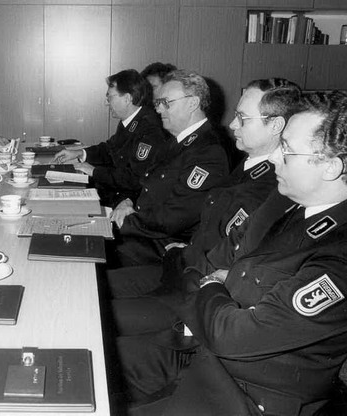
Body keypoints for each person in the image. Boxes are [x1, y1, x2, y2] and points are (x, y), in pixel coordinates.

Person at [117, 90, 347, 416]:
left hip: (246, 394)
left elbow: (234, 336)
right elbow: (217, 259)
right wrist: (216, 286)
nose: (277, 160)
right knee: (89, 356)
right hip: (200, 346)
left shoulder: (339, 254)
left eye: (289, 151)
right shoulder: (286, 203)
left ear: (331, 167)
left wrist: (213, 285)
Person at [108, 78, 302, 336]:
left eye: (243, 118)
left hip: (197, 292)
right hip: (182, 267)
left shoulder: (271, 186)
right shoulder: (247, 168)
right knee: (94, 287)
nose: (233, 125)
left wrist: (183, 253)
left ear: (276, 125)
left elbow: (230, 260)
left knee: (99, 313)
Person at [110, 70, 229, 267]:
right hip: (145, 233)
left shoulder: (209, 151)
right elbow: (146, 183)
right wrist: (127, 201)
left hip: (165, 248)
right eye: (158, 103)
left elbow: (175, 218)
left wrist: (123, 222)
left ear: (193, 103)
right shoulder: (177, 141)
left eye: (166, 103)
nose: (158, 110)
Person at [52, 69, 170, 207]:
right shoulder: (130, 120)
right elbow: (110, 149)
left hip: (128, 201)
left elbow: (134, 178)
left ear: (127, 98)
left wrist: (94, 171)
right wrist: (80, 153)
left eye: (110, 97)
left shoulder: (149, 129)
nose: (106, 103)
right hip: (115, 190)